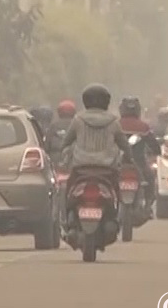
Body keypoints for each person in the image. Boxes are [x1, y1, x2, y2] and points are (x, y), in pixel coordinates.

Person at [55, 84, 138, 226]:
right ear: (107, 101)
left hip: (81, 167)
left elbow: (66, 142)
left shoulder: (78, 120)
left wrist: (61, 156)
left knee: (67, 192)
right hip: (107, 169)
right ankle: (117, 218)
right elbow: (124, 145)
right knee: (116, 191)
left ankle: (65, 218)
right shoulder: (114, 122)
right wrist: (130, 158)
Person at [117, 97, 158, 191]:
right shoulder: (143, 126)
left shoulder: (115, 125)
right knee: (150, 178)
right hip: (140, 163)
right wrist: (158, 152)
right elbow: (154, 145)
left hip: (117, 163)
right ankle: (148, 203)